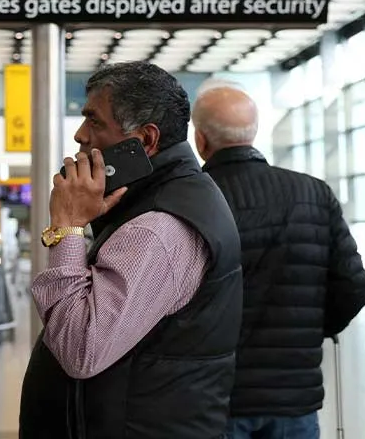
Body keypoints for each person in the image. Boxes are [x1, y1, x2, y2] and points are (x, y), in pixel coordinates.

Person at [20, 61, 243, 439]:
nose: (80, 135)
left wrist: (67, 227)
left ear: (144, 141)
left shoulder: (159, 228)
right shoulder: (162, 200)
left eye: (95, 121)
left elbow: (80, 348)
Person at [192, 85, 365, 439]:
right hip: (294, 392)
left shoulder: (191, 198)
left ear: (200, 140)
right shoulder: (314, 194)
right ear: (254, 131)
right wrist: (306, 330)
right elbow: (354, 285)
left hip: (215, 395)